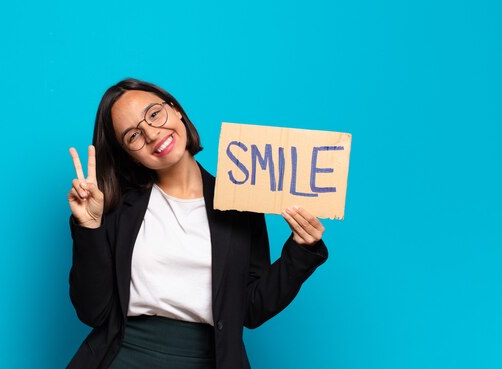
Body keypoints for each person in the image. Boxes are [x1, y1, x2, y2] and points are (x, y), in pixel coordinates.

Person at [66, 78, 328, 369]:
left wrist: (301, 251)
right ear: (130, 155)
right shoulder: (116, 208)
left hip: (208, 359)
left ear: (176, 109)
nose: (152, 134)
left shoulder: (240, 203)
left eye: (154, 114)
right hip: (122, 356)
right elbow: (93, 312)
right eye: (133, 136)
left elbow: (251, 309)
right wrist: (89, 227)